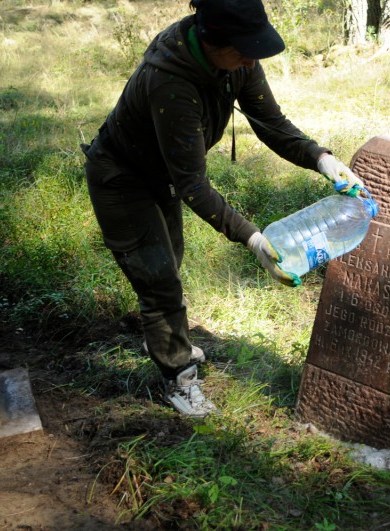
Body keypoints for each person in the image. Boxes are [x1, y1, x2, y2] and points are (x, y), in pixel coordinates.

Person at [81, 0, 363, 418]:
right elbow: (193, 185)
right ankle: (178, 376)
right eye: (243, 50)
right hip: (122, 179)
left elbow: (274, 125)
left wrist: (322, 159)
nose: (252, 59)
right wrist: (254, 241)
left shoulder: (238, 62)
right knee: (158, 279)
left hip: (160, 175)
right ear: (212, 42)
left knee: (169, 263)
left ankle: (162, 337)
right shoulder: (170, 83)